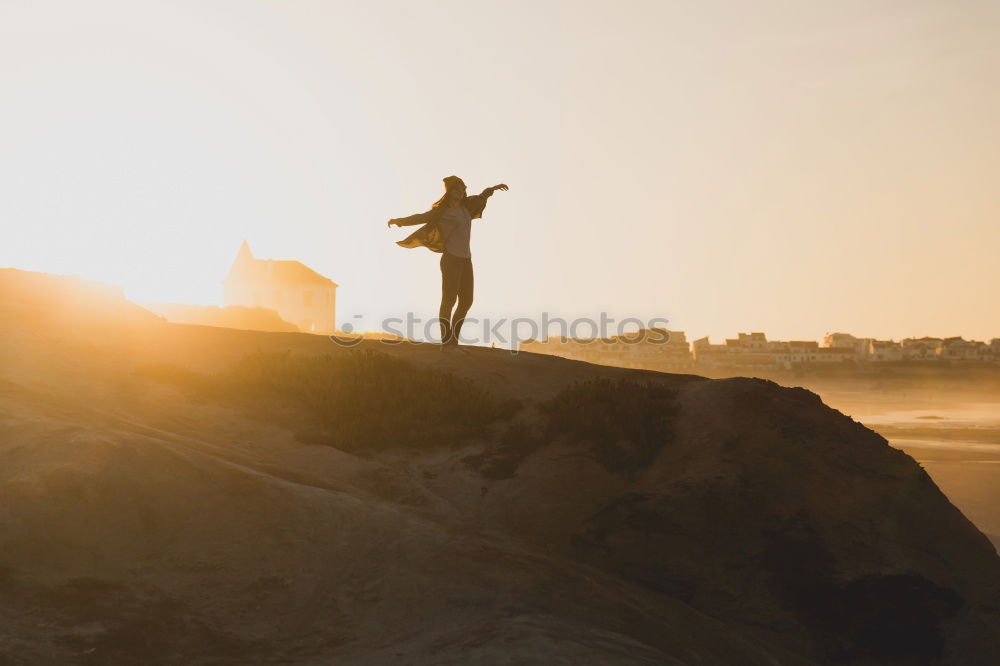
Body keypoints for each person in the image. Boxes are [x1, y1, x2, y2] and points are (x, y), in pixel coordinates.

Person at [388, 176, 509, 353]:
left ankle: (453, 342)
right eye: (456, 189)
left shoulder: (466, 207)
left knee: (467, 301)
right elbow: (421, 217)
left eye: (462, 189)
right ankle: (447, 344)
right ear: (449, 191)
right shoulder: (442, 211)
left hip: (466, 259)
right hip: (451, 260)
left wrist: (493, 189)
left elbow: (481, 197)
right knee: (449, 301)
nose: (460, 192)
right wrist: (399, 221)